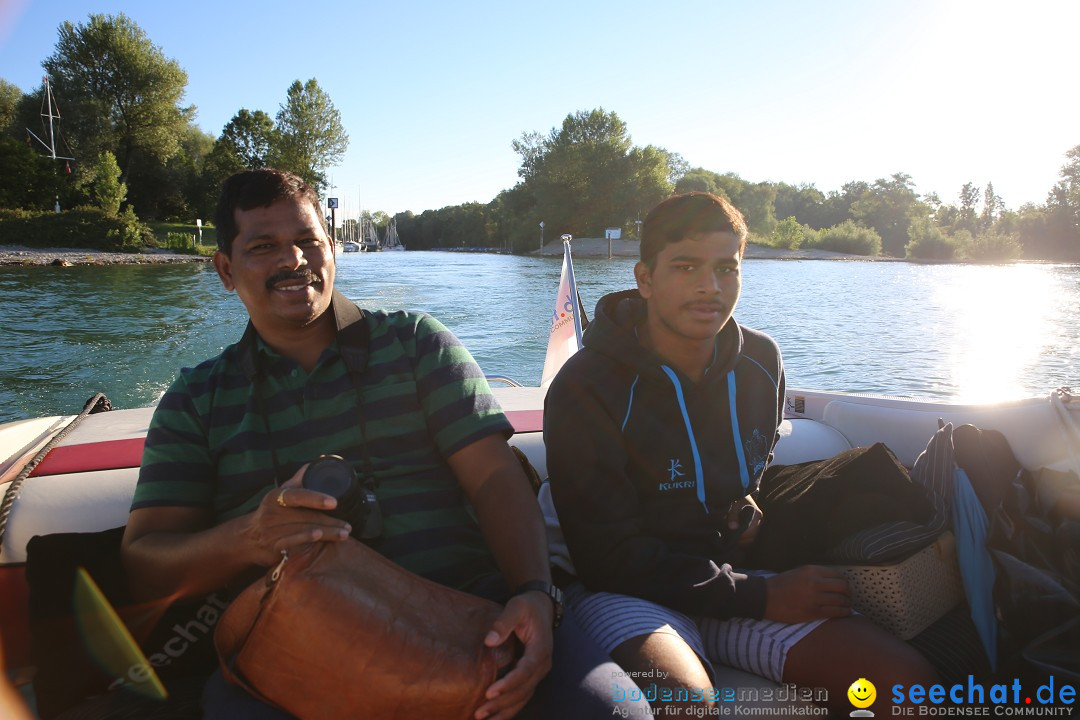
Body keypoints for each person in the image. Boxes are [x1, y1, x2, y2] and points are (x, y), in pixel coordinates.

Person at [120, 169, 648, 720]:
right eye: (263, 246)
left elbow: (496, 481)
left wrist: (534, 593)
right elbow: (145, 565)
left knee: (615, 713)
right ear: (226, 270)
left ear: (331, 250)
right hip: (295, 652)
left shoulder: (420, 346)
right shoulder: (197, 399)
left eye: (308, 242)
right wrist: (250, 536)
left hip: (470, 617)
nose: (294, 261)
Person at [541, 192, 937, 715]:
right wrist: (760, 598)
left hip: (723, 573)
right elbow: (607, 558)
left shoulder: (761, 360)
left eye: (727, 268)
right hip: (623, 592)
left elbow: (753, 465)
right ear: (645, 278)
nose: (710, 287)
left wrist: (746, 521)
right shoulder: (586, 386)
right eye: (686, 267)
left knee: (906, 686)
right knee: (683, 705)